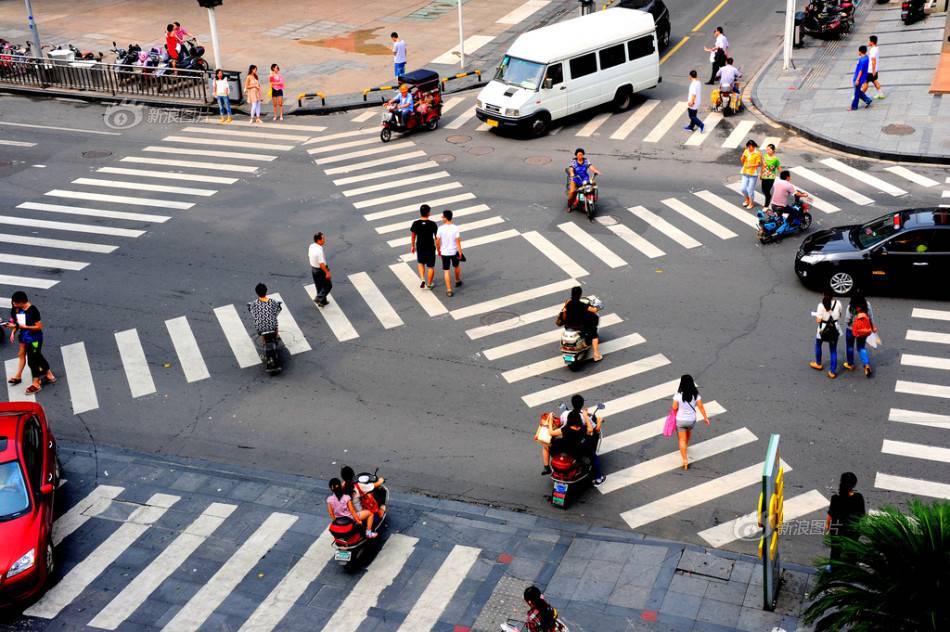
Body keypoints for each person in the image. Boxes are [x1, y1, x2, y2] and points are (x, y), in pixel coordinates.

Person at [5, 291, 55, 395]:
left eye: (15, 303)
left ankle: (36, 383)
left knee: (33, 360)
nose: (13, 305)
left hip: (34, 339)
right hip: (23, 337)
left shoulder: (33, 310)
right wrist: (13, 331)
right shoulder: (16, 309)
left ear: (22, 302)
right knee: (28, 355)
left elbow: (39, 326)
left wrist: (23, 327)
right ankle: (47, 374)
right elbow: (16, 323)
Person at [825, 472, 865, 563]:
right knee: (851, 554)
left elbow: (830, 515)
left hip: (837, 529)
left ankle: (832, 570)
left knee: (835, 553)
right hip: (852, 530)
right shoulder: (858, 498)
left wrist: (827, 528)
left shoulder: (835, 498)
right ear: (854, 485)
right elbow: (862, 515)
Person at [672, 375, 710, 470]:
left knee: (681, 440)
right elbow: (701, 406)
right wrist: (705, 418)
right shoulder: (695, 394)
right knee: (688, 432)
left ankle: (685, 460)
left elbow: (674, 407)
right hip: (691, 420)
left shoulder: (678, 395)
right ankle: (686, 445)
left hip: (680, 420)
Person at [558, 286, 602, 362]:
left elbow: (564, 310)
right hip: (580, 327)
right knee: (594, 334)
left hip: (568, 326)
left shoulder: (568, 302)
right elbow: (593, 310)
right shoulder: (581, 304)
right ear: (580, 294)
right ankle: (596, 354)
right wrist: (598, 307)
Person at [843, 290, 877, 378]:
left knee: (850, 346)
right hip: (864, 331)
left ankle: (850, 364)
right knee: (861, 347)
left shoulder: (851, 307)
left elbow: (847, 320)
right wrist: (873, 327)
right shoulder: (867, 305)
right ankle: (866, 365)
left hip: (851, 330)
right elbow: (870, 317)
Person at [341, 465, 386, 530]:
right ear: (353, 475)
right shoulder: (357, 486)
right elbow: (374, 485)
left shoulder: (342, 486)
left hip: (345, 513)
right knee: (371, 509)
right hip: (357, 514)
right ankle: (369, 531)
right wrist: (381, 480)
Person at [812, 291, 843, 379]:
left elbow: (818, 320)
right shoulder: (838, 303)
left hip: (823, 329)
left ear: (823, 294)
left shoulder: (821, 305)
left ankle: (818, 363)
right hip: (834, 329)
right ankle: (832, 372)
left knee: (818, 345)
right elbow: (840, 314)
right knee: (833, 350)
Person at [435, 210, 463, 297]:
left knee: (446, 270)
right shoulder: (456, 228)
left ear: (446, 218)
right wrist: (460, 252)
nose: (441, 218)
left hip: (445, 252)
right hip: (454, 251)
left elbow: (437, 241)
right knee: (456, 266)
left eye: (442, 217)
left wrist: (438, 250)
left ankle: (449, 290)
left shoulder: (440, 228)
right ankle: (457, 280)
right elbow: (458, 242)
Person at [410, 204, 438, 289]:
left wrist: (413, 246)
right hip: (430, 247)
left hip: (420, 246)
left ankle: (422, 279)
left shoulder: (415, 223)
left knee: (420, 263)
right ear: (429, 213)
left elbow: (413, 235)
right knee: (430, 266)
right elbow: (437, 237)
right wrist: (439, 248)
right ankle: (429, 284)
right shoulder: (433, 224)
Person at [308, 233, 332, 306]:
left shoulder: (311, 246)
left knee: (319, 286)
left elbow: (309, 255)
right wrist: (327, 272)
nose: (324, 240)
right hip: (320, 270)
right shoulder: (319, 251)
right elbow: (321, 264)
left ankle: (323, 301)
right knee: (328, 286)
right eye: (323, 238)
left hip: (313, 269)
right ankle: (318, 298)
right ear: (319, 240)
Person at [739, 140, 761, 209]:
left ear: (753, 146)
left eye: (750, 146)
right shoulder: (746, 151)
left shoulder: (757, 153)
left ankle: (751, 203)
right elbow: (742, 161)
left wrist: (750, 165)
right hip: (745, 172)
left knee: (750, 190)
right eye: (748, 146)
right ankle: (747, 199)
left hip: (753, 174)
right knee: (743, 189)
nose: (749, 148)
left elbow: (758, 164)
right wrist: (743, 157)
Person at [850, 45, 873, 111]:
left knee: (856, 93)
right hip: (860, 78)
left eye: (858, 51)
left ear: (860, 51)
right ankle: (868, 100)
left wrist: (857, 79)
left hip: (858, 78)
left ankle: (854, 107)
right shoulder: (865, 58)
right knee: (858, 91)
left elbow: (861, 71)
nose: (858, 52)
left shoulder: (863, 60)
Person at [867, 35, 884, 100]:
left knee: (865, 82)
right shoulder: (876, 48)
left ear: (872, 42)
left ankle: (860, 96)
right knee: (874, 81)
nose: (868, 42)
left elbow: (873, 61)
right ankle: (880, 94)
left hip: (871, 70)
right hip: (874, 69)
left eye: (869, 40)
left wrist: (873, 71)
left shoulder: (873, 50)